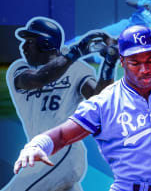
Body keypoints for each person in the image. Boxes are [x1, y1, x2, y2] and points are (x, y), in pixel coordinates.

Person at [12, 25, 151, 191]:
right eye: (135, 62)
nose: (144, 69)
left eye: (150, 60)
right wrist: (37, 146)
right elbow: (62, 134)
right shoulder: (105, 101)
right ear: (123, 62)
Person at [4, 16, 118, 191]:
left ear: (46, 43)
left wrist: (109, 64)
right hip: (42, 154)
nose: (23, 46)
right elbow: (39, 79)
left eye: (30, 41)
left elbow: (100, 102)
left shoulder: (77, 69)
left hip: (62, 152)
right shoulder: (18, 69)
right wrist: (76, 52)